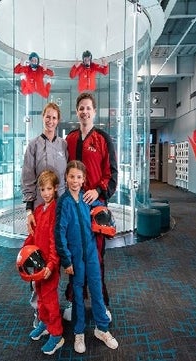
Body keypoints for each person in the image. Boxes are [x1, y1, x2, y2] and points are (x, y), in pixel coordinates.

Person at [64, 92, 118, 321]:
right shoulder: (70, 139)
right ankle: (73, 301)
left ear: (94, 112)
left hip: (96, 207)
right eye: (81, 108)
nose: (84, 112)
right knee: (76, 255)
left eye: (88, 108)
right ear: (77, 112)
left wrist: (99, 191)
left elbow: (112, 173)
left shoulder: (103, 139)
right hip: (74, 207)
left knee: (96, 257)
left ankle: (100, 303)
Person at [54, 160, 118, 354]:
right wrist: (66, 260)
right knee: (78, 296)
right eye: (72, 176)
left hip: (91, 254)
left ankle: (102, 329)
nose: (75, 180)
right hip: (75, 258)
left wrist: (99, 195)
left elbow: (102, 210)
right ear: (66, 177)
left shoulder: (87, 199)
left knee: (97, 290)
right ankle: (79, 332)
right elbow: (59, 233)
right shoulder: (63, 203)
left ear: (84, 180)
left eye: (79, 177)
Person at [21, 102, 68, 327]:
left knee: (58, 256)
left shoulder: (63, 145)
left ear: (58, 121)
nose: (50, 121)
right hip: (40, 211)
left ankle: (61, 306)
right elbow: (28, 179)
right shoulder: (33, 146)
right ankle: (38, 312)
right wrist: (29, 209)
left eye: (54, 118)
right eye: (47, 117)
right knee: (38, 259)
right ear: (43, 118)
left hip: (60, 211)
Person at [22, 170, 64, 355]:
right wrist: (23, 254)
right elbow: (33, 236)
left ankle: (57, 334)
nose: (46, 193)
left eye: (49, 189)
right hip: (37, 265)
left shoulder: (56, 211)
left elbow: (56, 241)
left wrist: (51, 264)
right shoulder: (39, 210)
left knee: (50, 300)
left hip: (49, 266)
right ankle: (44, 323)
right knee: (39, 296)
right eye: (42, 189)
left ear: (55, 189)